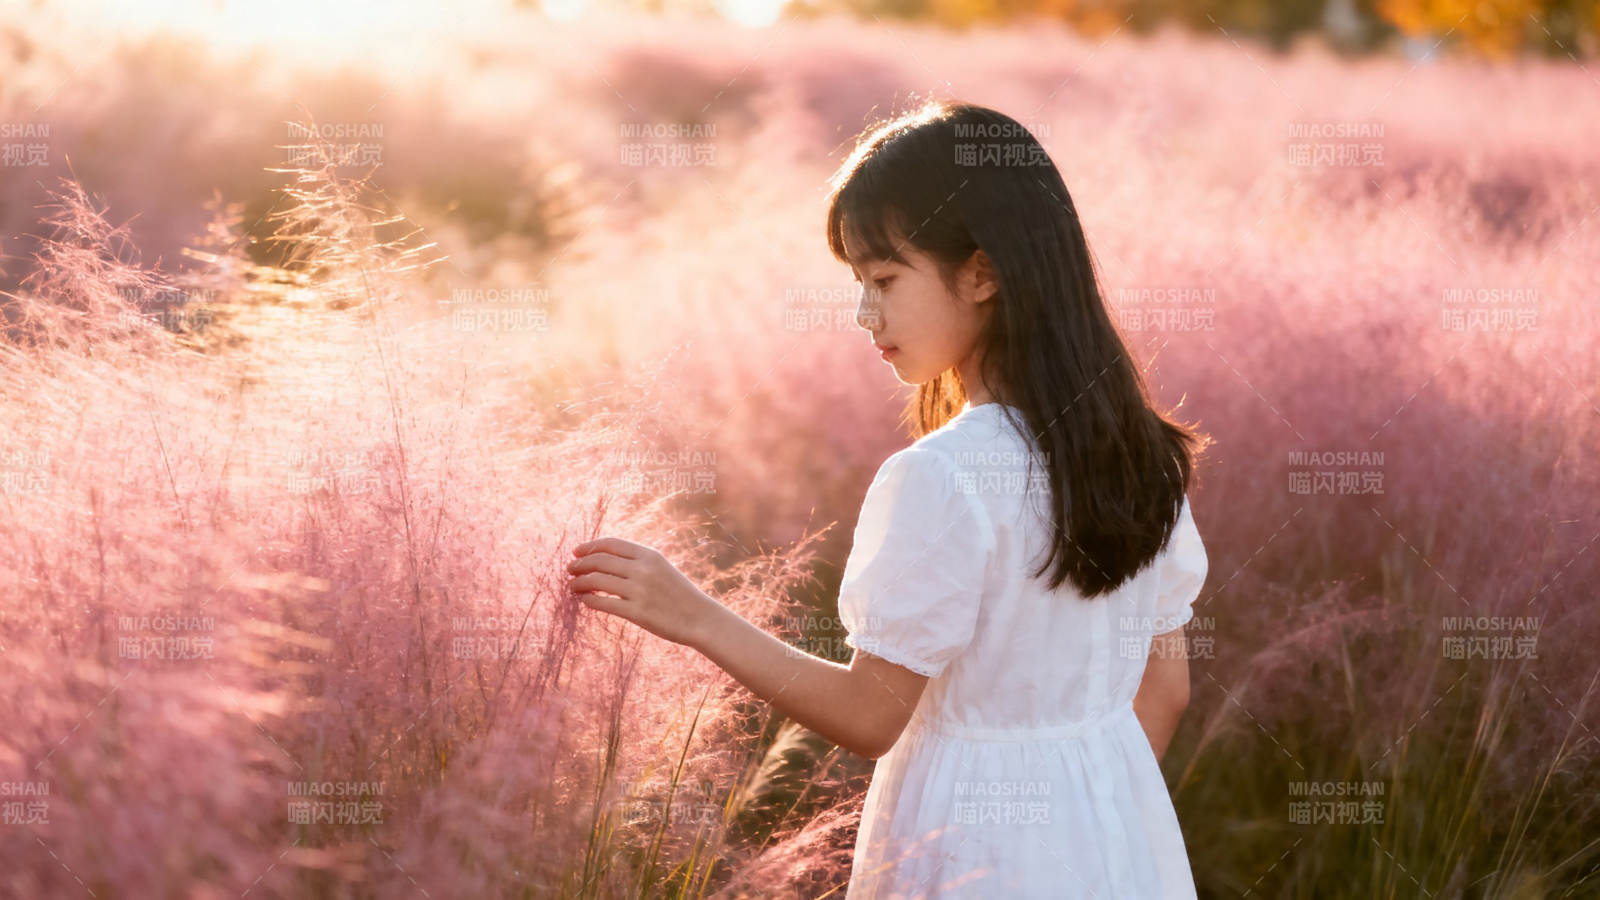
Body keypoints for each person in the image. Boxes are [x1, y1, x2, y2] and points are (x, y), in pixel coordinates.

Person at [567, 99, 1209, 898]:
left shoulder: (943, 476)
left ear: (982, 273)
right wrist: (1081, 819)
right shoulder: (1142, 456)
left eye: (884, 279)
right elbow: (1166, 692)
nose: (865, 313)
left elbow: (870, 717)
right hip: (1118, 852)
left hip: (973, 857)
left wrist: (693, 615)